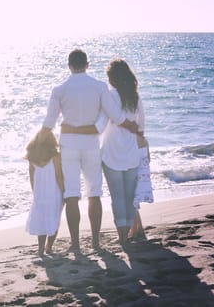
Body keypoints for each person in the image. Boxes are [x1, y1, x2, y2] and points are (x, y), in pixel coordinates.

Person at [41, 50, 138, 252]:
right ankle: (95, 242)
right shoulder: (99, 87)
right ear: (87, 64)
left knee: (72, 195)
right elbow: (115, 116)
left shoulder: (59, 90)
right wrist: (131, 126)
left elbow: (49, 122)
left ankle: (75, 244)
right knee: (94, 193)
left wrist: (40, 142)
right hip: (92, 145)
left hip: (68, 145)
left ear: (69, 66)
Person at [62, 58, 145, 249]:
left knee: (117, 197)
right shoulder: (136, 97)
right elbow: (142, 126)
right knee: (129, 196)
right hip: (131, 153)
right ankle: (133, 231)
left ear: (111, 78)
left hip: (111, 154)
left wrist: (75, 130)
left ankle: (123, 237)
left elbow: (100, 125)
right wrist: (142, 146)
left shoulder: (109, 96)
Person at [25, 129, 65, 258]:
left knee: (42, 221)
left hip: (40, 193)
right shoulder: (55, 156)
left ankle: (40, 249)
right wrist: (64, 191)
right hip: (54, 192)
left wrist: (35, 193)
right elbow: (59, 176)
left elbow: (31, 178)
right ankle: (49, 247)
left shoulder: (32, 158)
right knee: (54, 219)